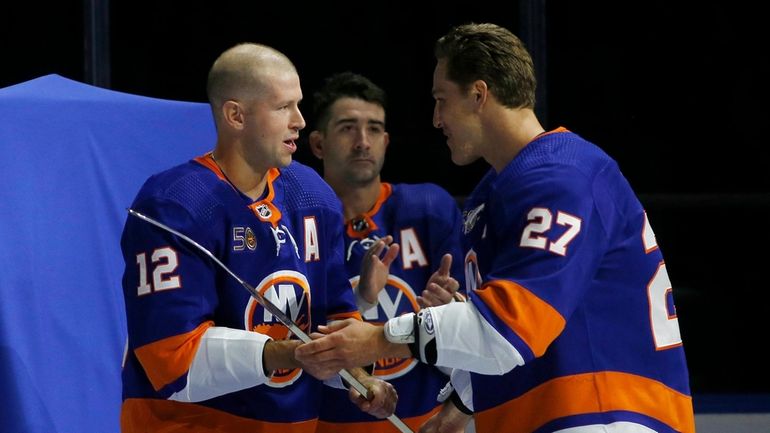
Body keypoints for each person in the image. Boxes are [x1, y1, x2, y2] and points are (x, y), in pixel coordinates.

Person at [295, 23, 696, 433]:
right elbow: (498, 334)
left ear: (478, 95)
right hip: (545, 415)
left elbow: (510, 326)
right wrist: (458, 407)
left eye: (441, 100)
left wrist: (378, 338)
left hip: (602, 415)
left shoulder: (561, 175)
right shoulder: (496, 193)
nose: (435, 119)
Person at [119, 43, 397, 433]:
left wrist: (358, 377)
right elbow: (171, 359)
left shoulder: (313, 196)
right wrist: (295, 355)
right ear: (236, 115)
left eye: (299, 105)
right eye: (283, 107)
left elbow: (334, 321)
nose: (300, 121)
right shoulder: (172, 204)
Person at [306, 71, 469, 432]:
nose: (363, 142)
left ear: (386, 141)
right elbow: (297, 334)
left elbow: (481, 326)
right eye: (348, 128)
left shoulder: (428, 208)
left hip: (426, 421)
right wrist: (360, 299)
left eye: (374, 129)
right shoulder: (298, 223)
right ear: (318, 144)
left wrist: (452, 309)